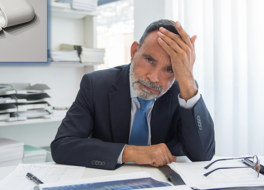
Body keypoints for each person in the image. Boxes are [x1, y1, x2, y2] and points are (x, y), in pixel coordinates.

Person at [51, 19, 215, 170]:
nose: (153, 78)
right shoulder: (96, 85)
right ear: (134, 51)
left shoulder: (183, 91)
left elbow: (203, 156)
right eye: (149, 60)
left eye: (169, 69)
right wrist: (132, 153)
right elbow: (62, 146)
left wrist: (187, 82)